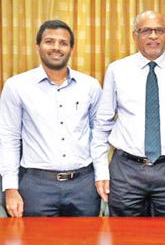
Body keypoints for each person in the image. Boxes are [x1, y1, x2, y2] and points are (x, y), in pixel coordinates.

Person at [92, 10, 165, 216]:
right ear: (135, 35)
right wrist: (101, 171)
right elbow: (102, 124)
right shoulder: (117, 70)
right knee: (125, 236)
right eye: (146, 31)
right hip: (126, 171)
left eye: (159, 30)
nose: (153, 36)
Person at [0, 20, 102, 217]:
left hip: (84, 186)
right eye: (49, 41)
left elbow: (99, 135)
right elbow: (8, 138)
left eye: (63, 43)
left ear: (72, 48)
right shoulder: (17, 86)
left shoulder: (90, 86)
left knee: (86, 239)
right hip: (36, 186)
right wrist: (10, 188)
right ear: (37, 46)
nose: (56, 47)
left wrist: (101, 176)